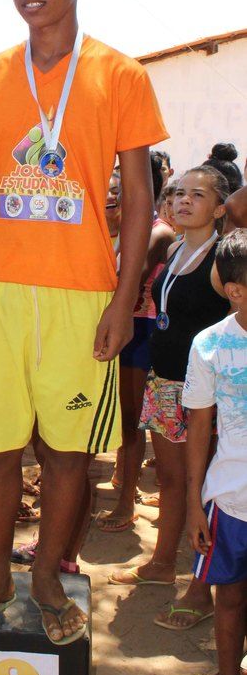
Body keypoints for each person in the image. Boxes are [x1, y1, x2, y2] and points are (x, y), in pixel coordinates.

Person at [0, 0, 168, 645]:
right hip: (1, 294)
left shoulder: (120, 75)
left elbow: (139, 199)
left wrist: (123, 298)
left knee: (68, 450)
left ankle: (47, 571)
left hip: (82, 295)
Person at [109, 166, 231, 631]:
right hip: (164, 384)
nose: (183, 200)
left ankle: (200, 590)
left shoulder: (224, 258)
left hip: (203, 394)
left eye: (198, 195)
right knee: (172, 483)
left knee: (207, 490)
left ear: (220, 208)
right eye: (178, 193)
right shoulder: (177, 248)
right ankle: (162, 563)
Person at [184, 228, 246, 675]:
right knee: (229, 602)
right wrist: (192, 508)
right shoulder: (209, 346)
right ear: (236, 290)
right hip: (229, 502)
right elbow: (197, 432)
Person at [98, 152, 175, 530]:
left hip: (140, 332)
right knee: (120, 417)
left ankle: (126, 504)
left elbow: (131, 275)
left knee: (130, 421)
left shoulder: (158, 231)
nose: (113, 194)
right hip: (120, 328)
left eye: (120, 188)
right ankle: (123, 484)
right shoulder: (114, 226)